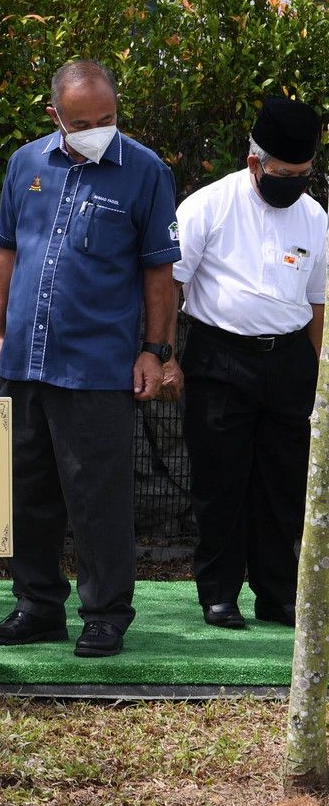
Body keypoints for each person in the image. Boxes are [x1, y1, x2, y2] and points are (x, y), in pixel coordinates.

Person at [0, 60, 179, 658]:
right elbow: (8, 253)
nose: (97, 131)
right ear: (55, 116)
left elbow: (160, 272)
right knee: (24, 490)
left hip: (96, 366)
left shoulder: (146, 171)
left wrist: (155, 351)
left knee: (98, 499)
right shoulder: (25, 164)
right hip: (23, 361)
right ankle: (37, 606)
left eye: (107, 118)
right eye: (82, 122)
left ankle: (105, 614)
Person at [169, 96, 325, 630]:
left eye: (303, 174)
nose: (295, 184)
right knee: (220, 482)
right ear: (254, 161)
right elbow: (169, 283)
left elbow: (318, 301)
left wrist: (317, 373)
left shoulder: (315, 217)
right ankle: (219, 594)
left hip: (289, 361)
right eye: (284, 174)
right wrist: (163, 354)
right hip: (219, 358)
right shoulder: (206, 206)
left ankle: (277, 594)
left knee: (284, 483)